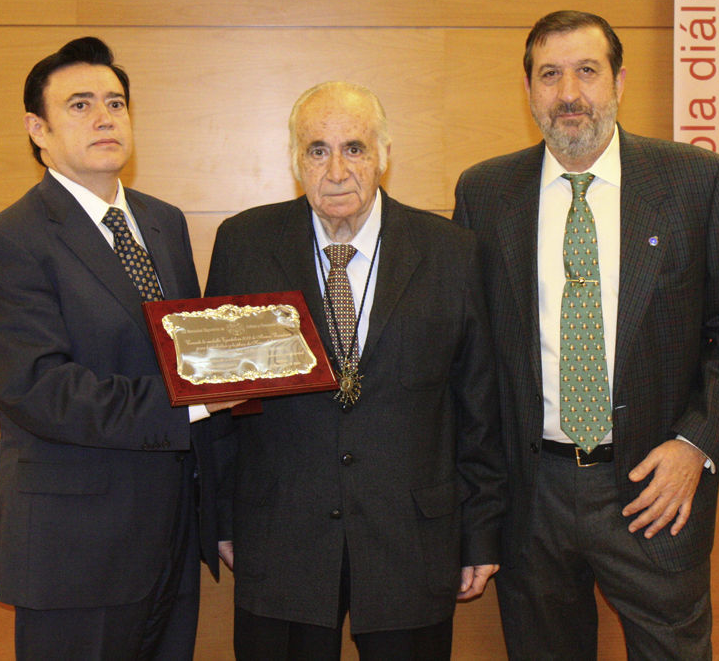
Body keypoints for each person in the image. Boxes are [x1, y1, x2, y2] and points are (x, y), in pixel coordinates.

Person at [453, 10, 719, 659]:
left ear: (619, 81)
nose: (569, 93)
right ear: (529, 90)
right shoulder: (485, 192)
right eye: (550, 75)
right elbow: (469, 354)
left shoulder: (694, 181)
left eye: (587, 71)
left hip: (655, 488)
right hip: (532, 494)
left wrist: (696, 445)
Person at [205, 80, 506, 660]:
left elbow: (479, 409)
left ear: (384, 154)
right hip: (280, 538)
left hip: (411, 542)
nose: (337, 171)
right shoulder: (244, 243)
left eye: (355, 148)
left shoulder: (451, 252)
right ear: (295, 159)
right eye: (317, 150)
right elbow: (223, 400)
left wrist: (480, 532)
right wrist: (220, 517)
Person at [0, 36, 233, 660]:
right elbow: (42, 392)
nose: (105, 117)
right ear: (38, 129)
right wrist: (193, 400)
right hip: (75, 548)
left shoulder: (163, 222)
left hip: (172, 536)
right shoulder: (8, 241)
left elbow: (185, 351)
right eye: (80, 105)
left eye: (115, 103)